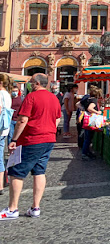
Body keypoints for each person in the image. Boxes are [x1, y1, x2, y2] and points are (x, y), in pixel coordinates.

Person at [1, 74, 61, 220]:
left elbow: (22, 120)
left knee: (16, 172)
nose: (30, 84)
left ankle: (12, 209)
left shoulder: (32, 97)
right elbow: (58, 117)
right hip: (49, 139)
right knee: (39, 171)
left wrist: (14, 139)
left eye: (31, 82)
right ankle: (35, 207)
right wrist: (50, 129)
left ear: (37, 83)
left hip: (32, 139)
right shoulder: (54, 98)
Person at [81, 86, 103, 161]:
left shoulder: (87, 99)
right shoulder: (94, 100)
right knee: (88, 138)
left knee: (87, 137)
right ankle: (84, 153)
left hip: (87, 120)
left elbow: (78, 104)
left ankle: (87, 152)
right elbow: (90, 108)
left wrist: (84, 110)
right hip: (91, 121)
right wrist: (98, 112)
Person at [0, 74, 13, 195]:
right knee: (0, 155)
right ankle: (3, 180)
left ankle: (0, 185)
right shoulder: (8, 95)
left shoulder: (0, 94)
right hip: (4, 128)